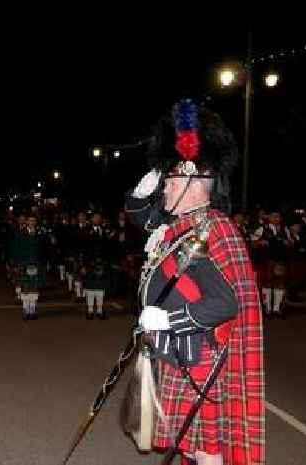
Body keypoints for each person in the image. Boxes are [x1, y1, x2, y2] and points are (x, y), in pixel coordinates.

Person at [125, 99, 264, 465]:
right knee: (188, 447)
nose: (165, 189)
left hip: (196, 358)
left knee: (205, 451)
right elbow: (142, 218)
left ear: (195, 183)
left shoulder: (211, 228)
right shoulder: (182, 227)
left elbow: (224, 303)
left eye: (170, 181)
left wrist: (168, 320)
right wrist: (141, 192)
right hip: (175, 354)